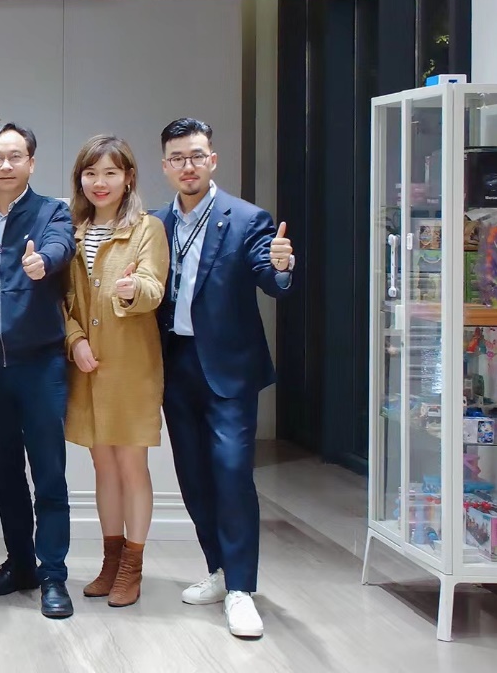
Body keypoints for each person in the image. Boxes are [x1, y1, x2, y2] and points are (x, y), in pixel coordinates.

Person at [154, 117, 294, 638]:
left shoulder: (247, 219)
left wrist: (281, 266)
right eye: (177, 158)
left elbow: (270, 278)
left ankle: (241, 589)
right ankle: (217, 569)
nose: (188, 166)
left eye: (197, 156)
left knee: (232, 473)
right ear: (165, 166)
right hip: (175, 364)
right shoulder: (155, 223)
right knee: (192, 475)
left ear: (212, 160)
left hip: (228, 369)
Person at [0, 123, 76, 619]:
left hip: (40, 364)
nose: (5, 165)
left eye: (15, 156)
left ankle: (53, 575)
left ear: (31, 162)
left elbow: (61, 246)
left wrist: (42, 263)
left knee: (49, 473)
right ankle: (21, 564)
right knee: (4, 473)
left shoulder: (53, 212)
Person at [64, 134, 169, 609]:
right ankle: (110, 562)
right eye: (91, 173)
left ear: (128, 177)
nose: (99, 182)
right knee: (101, 466)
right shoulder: (71, 229)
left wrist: (132, 291)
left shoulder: (147, 228)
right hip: (86, 365)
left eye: (110, 172)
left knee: (131, 466)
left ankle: (132, 566)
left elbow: (152, 286)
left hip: (130, 367)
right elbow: (61, 299)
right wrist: (74, 340)